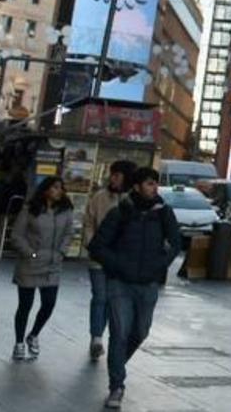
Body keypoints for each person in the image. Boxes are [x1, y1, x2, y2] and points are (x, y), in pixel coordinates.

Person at [87, 166, 179, 410]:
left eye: (155, 184)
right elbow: (97, 246)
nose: (154, 188)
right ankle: (117, 385)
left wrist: (159, 266)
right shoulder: (120, 213)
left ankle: (117, 364)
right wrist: (118, 266)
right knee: (119, 333)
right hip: (121, 284)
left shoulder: (163, 213)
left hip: (148, 285)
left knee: (140, 331)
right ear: (137, 186)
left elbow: (176, 244)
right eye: (149, 184)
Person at [10, 175, 76, 361]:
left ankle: (34, 334)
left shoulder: (66, 211)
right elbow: (17, 235)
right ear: (46, 189)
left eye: (61, 187)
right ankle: (19, 342)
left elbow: (69, 232)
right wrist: (30, 253)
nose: (59, 191)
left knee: (49, 303)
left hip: (53, 264)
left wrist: (61, 252)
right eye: (55, 187)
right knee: (25, 305)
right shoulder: (30, 209)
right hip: (30, 263)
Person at [81, 162, 134, 362]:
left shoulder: (132, 201)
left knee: (116, 300)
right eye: (112, 175)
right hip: (98, 258)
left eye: (118, 175)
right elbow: (88, 223)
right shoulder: (100, 197)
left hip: (121, 261)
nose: (113, 179)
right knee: (100, 296)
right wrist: (92, 245)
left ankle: (115, 339)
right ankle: (96, 338)